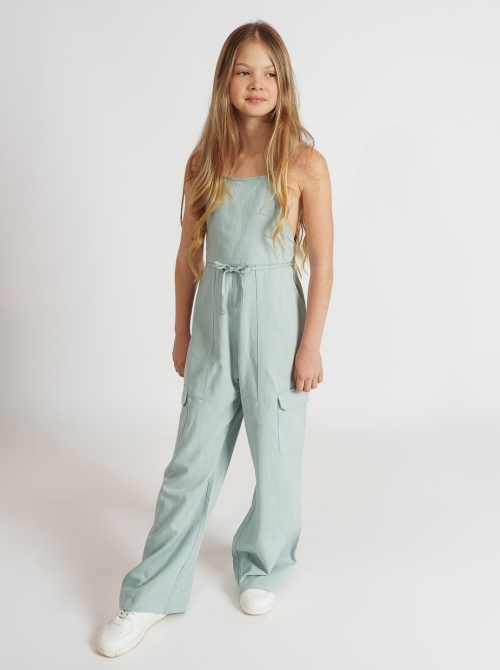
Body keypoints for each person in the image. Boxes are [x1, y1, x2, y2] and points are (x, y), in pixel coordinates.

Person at [96, 19, 333, 658]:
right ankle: (150, 593)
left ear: (284, 83)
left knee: (277, 455)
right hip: (213, 323)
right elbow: (187, 256)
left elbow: (325, 265)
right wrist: (181, 330)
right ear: (225, 80)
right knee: (190, 461)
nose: (257, 83)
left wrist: (310, 345)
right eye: (243, 71)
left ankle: (263, 564)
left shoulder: (305, 164)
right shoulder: (202, 162)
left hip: (277, 321)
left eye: (269, 73)